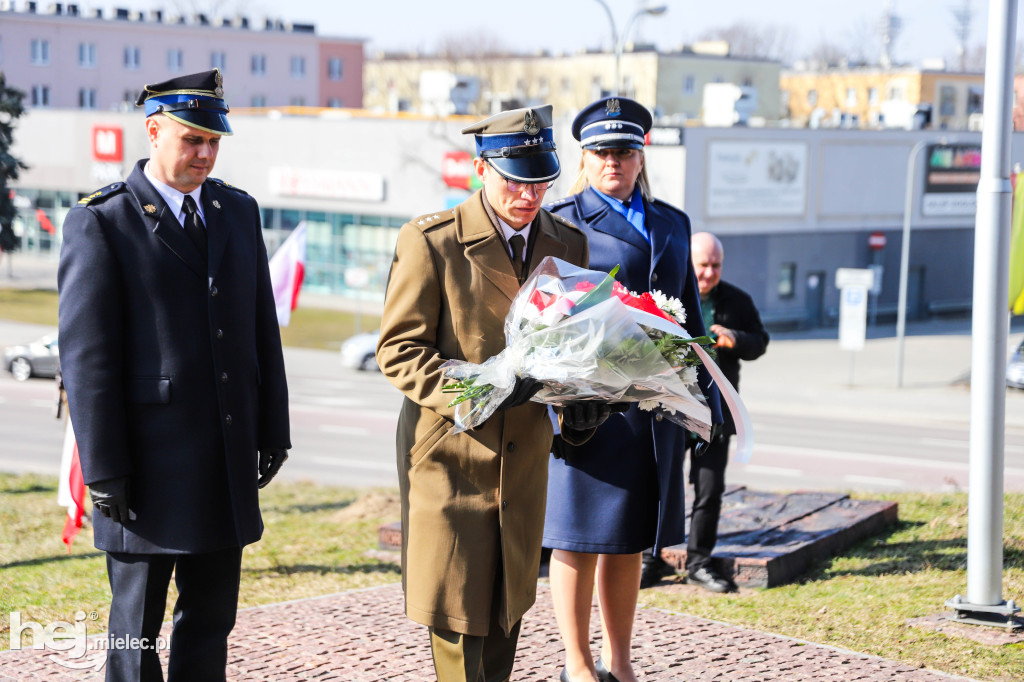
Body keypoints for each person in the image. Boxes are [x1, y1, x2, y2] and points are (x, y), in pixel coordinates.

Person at [58, 69, 291, 681]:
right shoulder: (103, 222)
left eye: (215, 142)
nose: (206, 155)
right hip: (145, 473)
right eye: (192, 140)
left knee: (209, 626)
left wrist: (274, 430)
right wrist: (104, 467)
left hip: (222, 461)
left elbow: (260, 330)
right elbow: (87, 361)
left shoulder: (236, 212)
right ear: (154, 130)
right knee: (134, 638)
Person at [375, 105, 609, 682]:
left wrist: (582, 404)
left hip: (524, 462)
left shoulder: (567, 244)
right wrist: (481, 391)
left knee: (507, 614)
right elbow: (399, 351)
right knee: (458, 624)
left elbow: (576, 345)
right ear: (481, 168)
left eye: (540, 180)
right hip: (452, 460)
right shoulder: (432, 242)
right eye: (514, 179)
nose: (528, 195)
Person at [542, 97, 723, 682]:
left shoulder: (673, 222)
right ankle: (577, 662)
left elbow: (691, 318)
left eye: (624, 150)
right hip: (591, 409)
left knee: (627, 542)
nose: (612, 161)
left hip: (657, 408)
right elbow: (545, 315)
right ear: (585, 159)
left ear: (641, 155)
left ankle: (620, 663)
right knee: (577, 538)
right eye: (601, 152)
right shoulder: (562, 219)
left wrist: (707, 398)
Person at [640, 231, 769, 593]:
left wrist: (736, 340)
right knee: (661, 488)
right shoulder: (671, 296)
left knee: (709, 491)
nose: (709, 273)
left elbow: (760, 341)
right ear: (688, 265)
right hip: (673, 408)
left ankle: (698, 563)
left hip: (716, 414)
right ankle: (650, 559)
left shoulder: (736, 300)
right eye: (702, 265)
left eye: (715, 266)